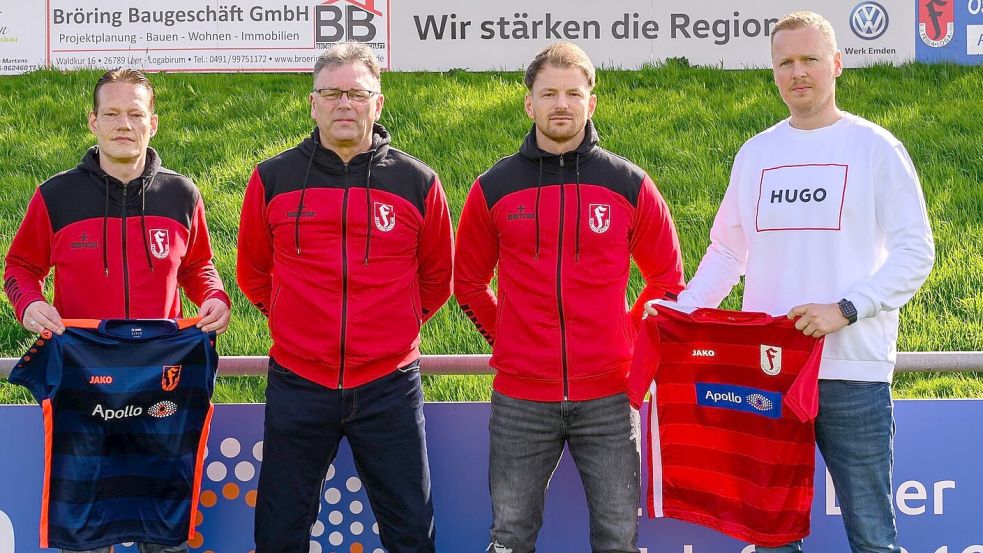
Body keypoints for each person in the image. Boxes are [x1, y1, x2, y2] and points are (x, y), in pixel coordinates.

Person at [648, 11, 935, 553]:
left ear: (837, 64)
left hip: (851, 370)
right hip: (768, 376)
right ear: (774, 71)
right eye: (785, 62)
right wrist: (684, 310)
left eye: (809, 60)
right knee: (772, 540)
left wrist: (846, 308)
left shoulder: (876, 149)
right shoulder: (757, 153)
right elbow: (728, 250)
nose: (797, 72)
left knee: (873, 539)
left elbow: (917, 251)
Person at [455, 42, 686, 553]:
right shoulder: (493, 188)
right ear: (529, 104)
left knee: (617, 539)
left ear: (591, 103)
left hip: (609, 397)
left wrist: (623, 336)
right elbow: (467, 284)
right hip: (521, 399)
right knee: (510, 537)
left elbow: (668, 281)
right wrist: (510, 338)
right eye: (549, 93)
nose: (562, 104)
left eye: (573, 93)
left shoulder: (629, 184)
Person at [237, 42, 453, 553]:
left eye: (357, 93)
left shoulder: (417, 181)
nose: (344, 104)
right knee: (279, 530)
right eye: (331, 93)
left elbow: (436, 279)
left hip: (389, 385)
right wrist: (297, 320)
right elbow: (252, 272)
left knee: (411, 531)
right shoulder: (272, 178)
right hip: (298, 381)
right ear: (313, 104)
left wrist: (390, 327)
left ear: (378, 103)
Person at [3, 68, 231, 553]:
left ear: (153, 122)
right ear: (93, 121)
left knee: (164, 534)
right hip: (85, 387)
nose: (123, 123)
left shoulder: (181, 194)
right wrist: (31, 303)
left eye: (134, 113)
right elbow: (20, 267)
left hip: (160, 386)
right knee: (86, 535)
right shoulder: (56, 196)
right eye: (111, 113)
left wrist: (213, 296)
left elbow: (198, 266)